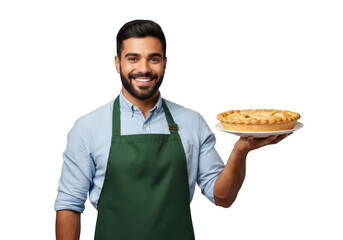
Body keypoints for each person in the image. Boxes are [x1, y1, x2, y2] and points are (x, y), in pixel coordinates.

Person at [55, 19, 291, 240]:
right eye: (133, 58)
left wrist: (241, 150)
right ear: (118, 63)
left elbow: (223, 197)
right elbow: (69, 204)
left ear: (165, 63)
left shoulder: (191, 122)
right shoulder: (88, 128)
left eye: (154, 59)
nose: (144, 68)